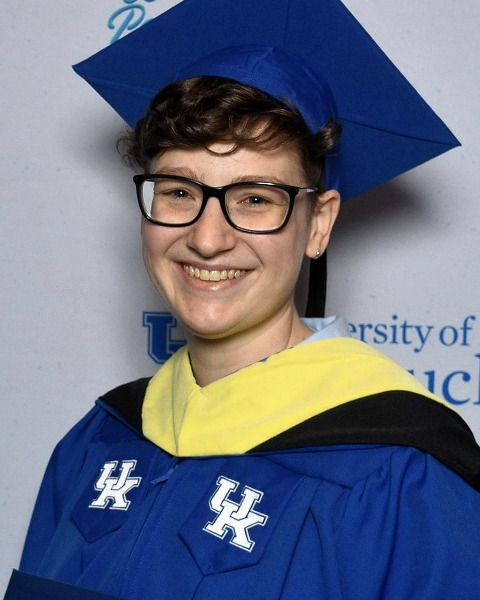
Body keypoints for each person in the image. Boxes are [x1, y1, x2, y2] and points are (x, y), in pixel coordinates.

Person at [7, 0, 480, 598]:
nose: (207, 239)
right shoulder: (99, 440)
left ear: (318, 224)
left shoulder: (402, 472)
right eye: (179, 192)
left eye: (255, 199)